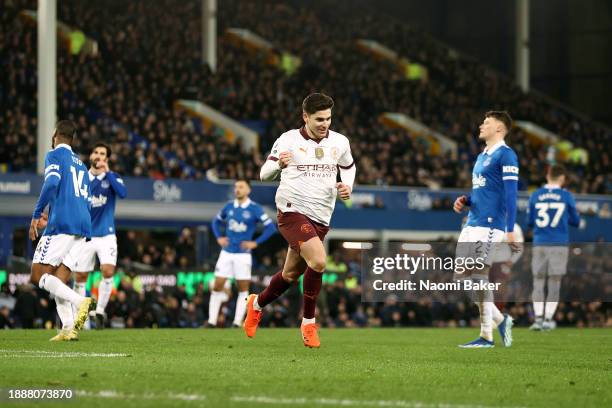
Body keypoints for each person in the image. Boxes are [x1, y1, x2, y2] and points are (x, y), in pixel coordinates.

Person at [244, 93, 356, 348]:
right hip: (292, 211)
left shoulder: (340, 142)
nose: (325, 124)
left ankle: (256, 303)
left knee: (290, 275)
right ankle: (308, 323)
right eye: (319, 119)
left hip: (321, 215)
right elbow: (264, 173)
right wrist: (278, 166)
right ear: (305, 117)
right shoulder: (288, 140)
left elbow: (348, 166)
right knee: (318, 260)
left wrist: (347, 186)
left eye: (328, 118)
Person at [453, 111, 518, 349]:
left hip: (491, 225)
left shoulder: (506, 155)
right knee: (462, 279)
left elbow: (511, 194)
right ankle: (502, 320)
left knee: (479, 278)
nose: (481, 125)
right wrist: (466, 200)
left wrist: (510, 229)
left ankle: (486, 337)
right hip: (472, 222)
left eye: (487, 123)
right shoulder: (482, 156)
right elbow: (484, 192)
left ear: (499, 129)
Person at [29, 120, 94, 341]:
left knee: (38, 275)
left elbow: (51, 183)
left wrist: (37, 214)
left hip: (63, 225)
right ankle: (68, 327)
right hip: (83, 226)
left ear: (55, 134)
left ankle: (81, 301)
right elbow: (86, 200)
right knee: (58, 279)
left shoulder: (54, 155)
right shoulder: (82, 165)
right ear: (73, 139)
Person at [71, 142, 127, 329]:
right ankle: (80, 316)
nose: (99, 156)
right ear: (91, 156)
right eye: (96, 152)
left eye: (103, 154)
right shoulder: (82, 178)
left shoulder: (112, 178)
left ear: (107, 159)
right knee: (80, 277)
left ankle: (100, 311)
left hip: (106, 235)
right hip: (86, 235)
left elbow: (123, 193)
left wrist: (108, 172)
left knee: (108, 271)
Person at [208, 179, 277, 328]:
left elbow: (271, 227)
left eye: (241, 187)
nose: (237, 189)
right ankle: (211, 322)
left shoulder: (255, 208)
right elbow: (215, 222)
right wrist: (219, 237)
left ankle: (237, 322)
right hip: (226, 252)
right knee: (217, 285)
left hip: (243, 254)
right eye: (236, 187)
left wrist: (255, 242)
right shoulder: (229, 206)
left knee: (242, 288)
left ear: (248, 190)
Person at [527, 164, 580, 331]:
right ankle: (548, 319)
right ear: (562, 178)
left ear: (547, 175)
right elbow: (576, 222)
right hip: (559, 243)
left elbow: (529, 222)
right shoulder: (567, 196)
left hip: (540, 242)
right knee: (555, 281)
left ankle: (538, 319)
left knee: (538, 281)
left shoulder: (535, 195)